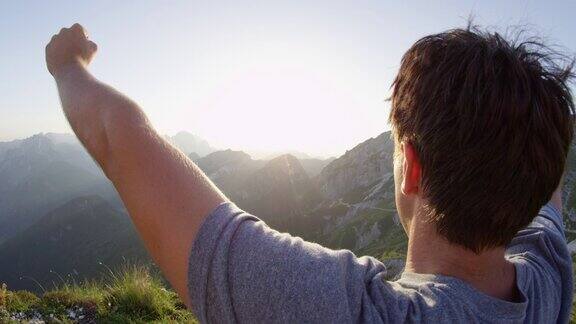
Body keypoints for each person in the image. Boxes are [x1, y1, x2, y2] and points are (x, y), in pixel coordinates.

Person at [45, 23, 574, 323]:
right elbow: (548, 199)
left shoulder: (346, 311)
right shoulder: (550, 278)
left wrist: (68, 67)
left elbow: (121, 140)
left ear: (411, 167)